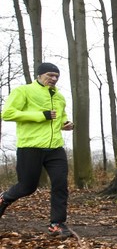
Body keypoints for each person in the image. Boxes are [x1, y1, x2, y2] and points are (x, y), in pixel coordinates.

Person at [0, 62, 75, 236]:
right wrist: (40, 116)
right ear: (39, 75)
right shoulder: (24, 91)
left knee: (60, 184)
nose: (54, 79)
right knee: (27, 187)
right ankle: (4, 198)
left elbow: (61, 118)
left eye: (56, 76)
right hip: (30, 146)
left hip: (55, 147)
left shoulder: (59, 97)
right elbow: (7, 113)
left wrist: (66, 124)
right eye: (50, 75)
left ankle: (57, 224)